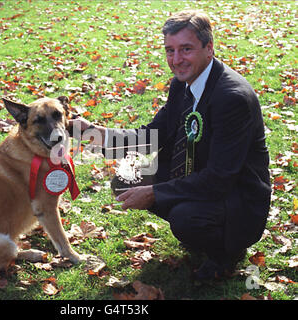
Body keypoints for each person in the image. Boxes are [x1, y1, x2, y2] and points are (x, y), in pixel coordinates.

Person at [69, 10, 271, 281]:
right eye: (170, 50)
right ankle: (200, 230)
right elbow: (153, 135)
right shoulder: (182, 83)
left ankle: (226, 252)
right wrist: (94, 133)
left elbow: (220, 179)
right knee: (126, 180)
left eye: (186, 49)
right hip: (196, 173)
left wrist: (154, 192)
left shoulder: (232, 98)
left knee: (185, 218)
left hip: (238, 198)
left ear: (209, 48)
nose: (176, 60)